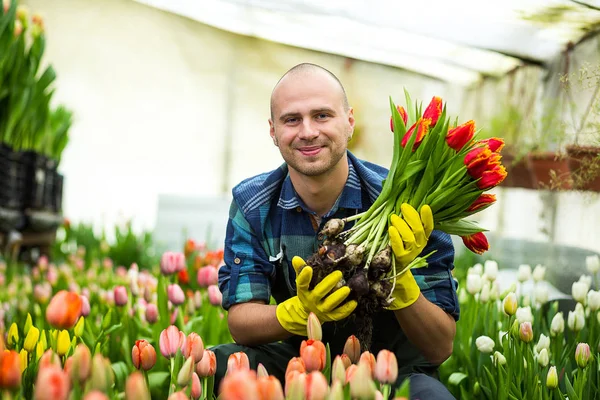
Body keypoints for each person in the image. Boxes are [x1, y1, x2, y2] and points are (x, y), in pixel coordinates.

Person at [213, 62, 459, 399]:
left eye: (322, 115)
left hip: (391, 365)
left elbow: (440, 347)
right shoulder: (253, 204)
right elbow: (241, 322)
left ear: (349, 121)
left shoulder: (408, 204)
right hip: (299, 358)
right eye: (291, 119)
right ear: (273, 131)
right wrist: (298, 312)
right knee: (221, 364)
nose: (308, 131)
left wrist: (400, 281)